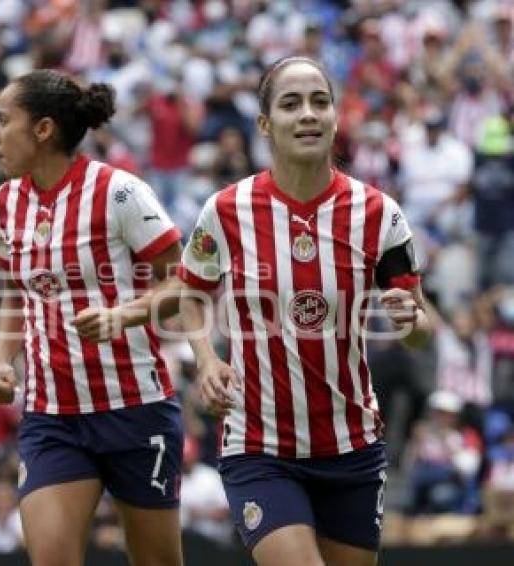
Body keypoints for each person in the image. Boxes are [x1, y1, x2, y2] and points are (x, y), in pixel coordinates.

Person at [177, 56, 432, 566]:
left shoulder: (379, 214)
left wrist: (412, 324)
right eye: (291, 104)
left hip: (352, 446)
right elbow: (190, 294)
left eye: (320, 102)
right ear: (266, 124)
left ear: (337, 117)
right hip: (259, 446)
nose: (309, 114)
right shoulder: (226, 210)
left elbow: (420, 331)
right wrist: (206, 359)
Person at [0, 69, 184, 566]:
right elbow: (17, 289)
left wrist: (124, 316)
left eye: (3, 120)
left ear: (43, 130)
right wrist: (1, 360)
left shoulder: (120, 193)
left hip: (135, 410)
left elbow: (184, 281)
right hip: (52, 417)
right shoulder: (7, 201)